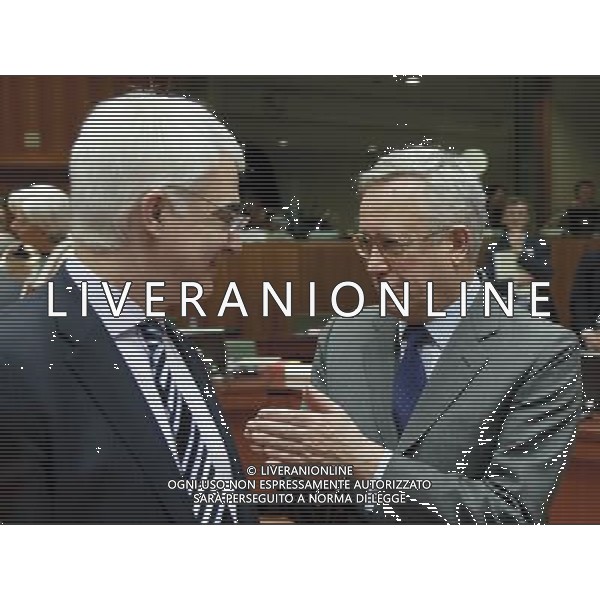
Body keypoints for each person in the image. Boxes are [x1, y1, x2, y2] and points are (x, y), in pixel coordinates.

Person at [246, 146, 586, 524]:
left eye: (391, 244)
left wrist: (368, 462)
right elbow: (306, 494)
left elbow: (512, 515)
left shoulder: (539, 352)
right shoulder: (344, 337)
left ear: (457, 243)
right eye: (364, 243)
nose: (373, 266)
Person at [0, 91, 256, 524]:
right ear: (155, 213)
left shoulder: (170, 344)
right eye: (223, 216)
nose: (235, 241)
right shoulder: (14, 361)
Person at [484, 196, 556, 320]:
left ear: (527, 218)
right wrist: (514, 281)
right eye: (511, 213)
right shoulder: (494, 247)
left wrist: (519, 253)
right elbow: (489, 283)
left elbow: (547, 274)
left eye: (520, 213)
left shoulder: (539, 243)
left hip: (535, 304)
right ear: (504, 218)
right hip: (504, 304)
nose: (516, 217)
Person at [2, 184, 72, 298]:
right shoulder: (20, 254)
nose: (13, 226)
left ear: (45, 226)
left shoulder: (73, 260)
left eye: (22, 221)